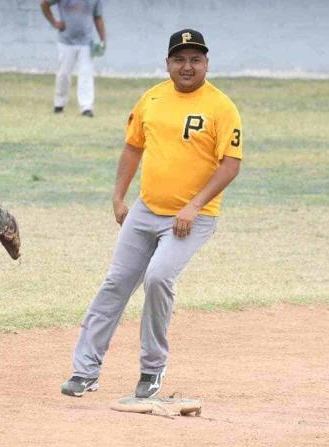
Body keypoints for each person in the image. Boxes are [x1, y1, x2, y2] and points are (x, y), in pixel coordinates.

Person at [61, 29, 243, 398]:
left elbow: (230, 164)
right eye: (179, 59)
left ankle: (152, 369)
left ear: (207, 63)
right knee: (116, 283)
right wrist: (118, 197)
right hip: (146, 211)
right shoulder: (153, 97)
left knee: (159, 278)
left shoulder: (221, 107)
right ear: (168, 64)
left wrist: (193, 206)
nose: (187, 66)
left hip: (193, 216)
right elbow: (132, 148)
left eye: (195, 59)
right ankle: (85, 371)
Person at [40, 0, 106, 117]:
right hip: (66, 41)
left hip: (87, 42)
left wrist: (102, 40)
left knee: (86, 74)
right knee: (63, 74)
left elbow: (98, 17)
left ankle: (86, 107)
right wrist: (55, 23)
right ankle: (59, 105)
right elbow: (44, 4)